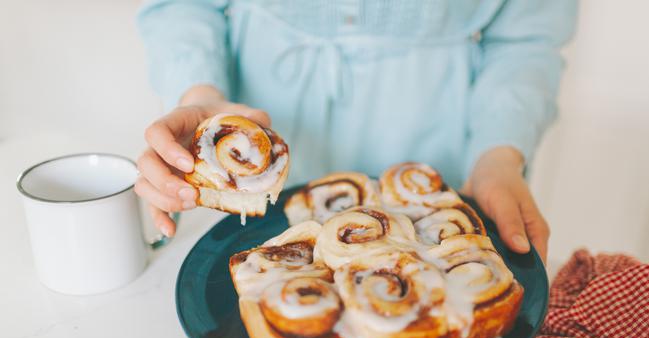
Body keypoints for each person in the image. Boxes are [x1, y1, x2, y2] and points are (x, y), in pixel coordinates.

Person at [135, 0, 577, 262]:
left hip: (435, 143)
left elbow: (526, 39)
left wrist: (498, 156)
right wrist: (199, 92)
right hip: (249, 132)